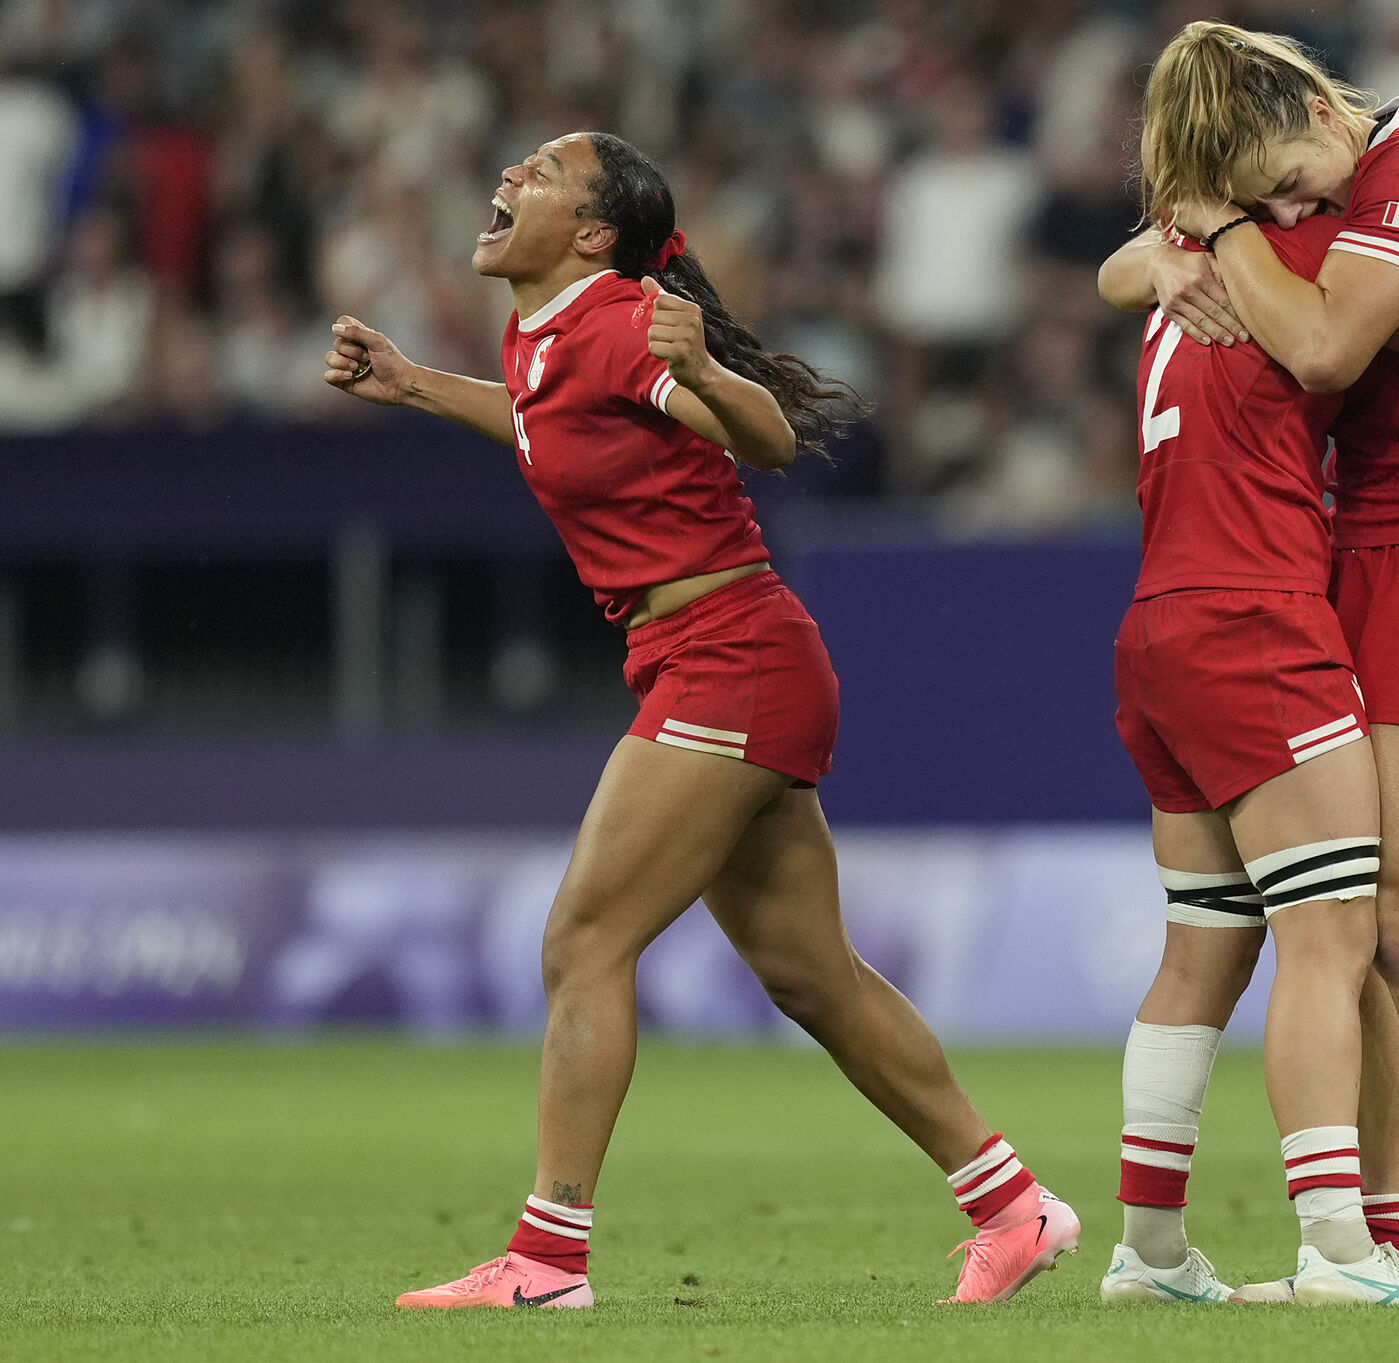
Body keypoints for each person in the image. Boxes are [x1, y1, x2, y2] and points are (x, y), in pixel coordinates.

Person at [323, 131, 1078, 1310]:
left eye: (541, 172)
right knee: (812, 976)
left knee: (583, 942)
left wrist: (714, 373)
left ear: (591, 232)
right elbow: (541, 423)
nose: (510, 175)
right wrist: (416, 383)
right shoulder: (546, 328)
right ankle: (1013, 1205)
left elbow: (767, 438)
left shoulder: (623, 318)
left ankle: (547, 1260)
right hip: (723, 654)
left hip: (728, 659)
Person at [1097, 21, 1399, 1305]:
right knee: (1348, 927)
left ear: (1309, 99)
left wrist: (1203, 234)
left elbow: (1356, 348)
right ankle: (1393, 1236)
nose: (1289, 201)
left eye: (1281, 174)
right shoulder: (1291, 223)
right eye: (1252, 195)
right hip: (1341, 560)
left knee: (1390, 913)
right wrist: (1164, 244)